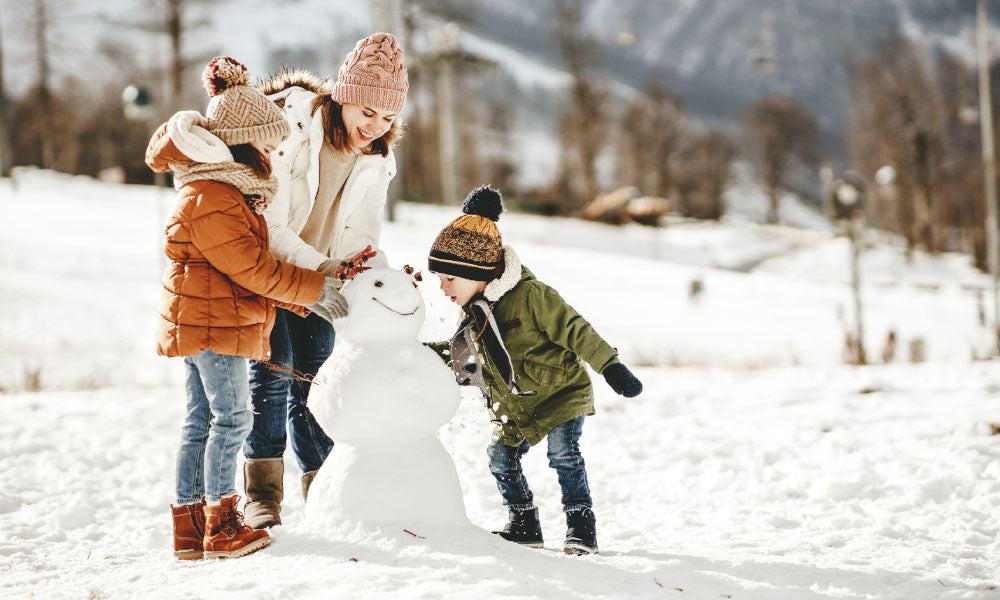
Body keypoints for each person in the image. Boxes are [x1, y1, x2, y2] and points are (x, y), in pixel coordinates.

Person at [146, 56, 349, 560]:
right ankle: (222, 522)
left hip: (209, 320)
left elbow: (248, 272)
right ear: (240, 140)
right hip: (213, 325)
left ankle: (190, 531)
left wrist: (298, 301)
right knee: (232, 419)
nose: (273, 155)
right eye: (266, 145)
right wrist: (313, 289)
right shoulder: (213, 194)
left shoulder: (223, 191)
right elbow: (252, 267)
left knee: (200, 422)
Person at [241, 32, 408, 529]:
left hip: (322, 280)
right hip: (269, 270)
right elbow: (271, 222)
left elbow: (362, 233)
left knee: (315, 381)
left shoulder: (377, 158)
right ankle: (263, 494)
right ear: (344, 97)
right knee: (274, 374)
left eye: (387, 118)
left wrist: (382, 281)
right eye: (367, 112)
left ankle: (325, 487)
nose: (374, 127)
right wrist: (320, 268)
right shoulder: (292, 128)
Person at [426, 185, 644, 555]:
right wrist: (413, 356)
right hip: (517, 406)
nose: (443, 286)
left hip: (560, 394)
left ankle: (581, 527)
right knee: (500, 458)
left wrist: (611, 367)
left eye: (450, 277)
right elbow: (461, 355)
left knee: (563, 456)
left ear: (476, 271)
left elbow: (576, 329)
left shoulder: (531, 296)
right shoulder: (476, 312)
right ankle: (524, 524)